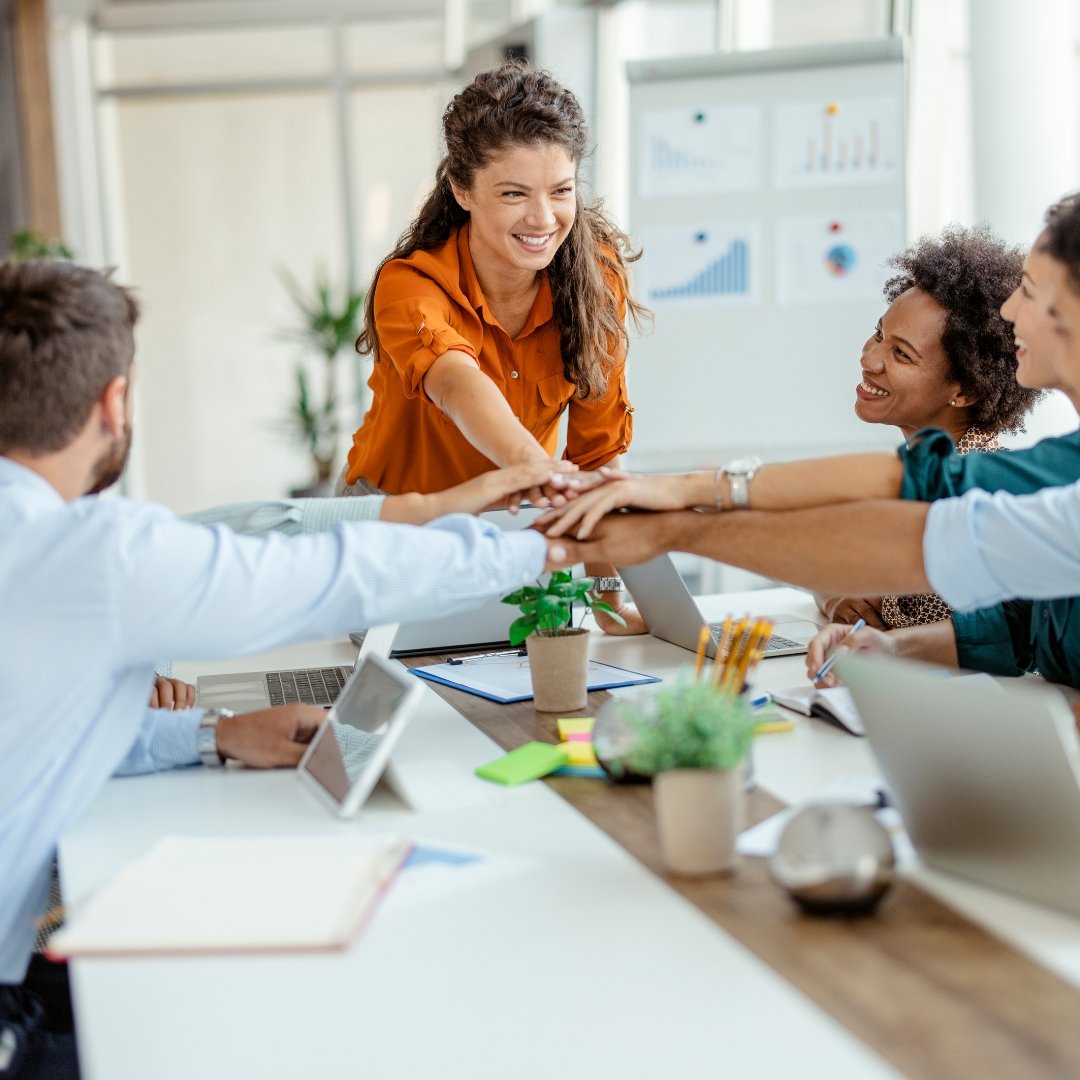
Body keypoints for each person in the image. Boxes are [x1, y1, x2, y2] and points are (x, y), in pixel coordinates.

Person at [0, 259, 566, 1077]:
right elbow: (334, 577)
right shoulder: (85, 557)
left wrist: (213, 735)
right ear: (112, 406)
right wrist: (546, 540)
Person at [542, 193, 1080, 689]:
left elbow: (900, 523)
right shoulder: (1049, 477)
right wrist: (883, 642)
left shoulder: (1013, 483)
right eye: (879, 337)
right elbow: (1013, 628)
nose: (1011, 313)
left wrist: (680, 515)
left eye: (1031, 294)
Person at [340, 60, 649, 632]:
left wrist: (606, 597)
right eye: (513, 193)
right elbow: (458, 384)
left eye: (560, 191)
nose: (542, 218)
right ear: (462, 189)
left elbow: (598, 455)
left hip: (515, 516)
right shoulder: (410, 284)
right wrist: (537, 470)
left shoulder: (595, 281)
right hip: (397, 522)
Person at [813, 225, 1038, 631]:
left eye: (901, 353)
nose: (870, 359)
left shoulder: (980, 491)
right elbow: (828, 560)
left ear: (965, 389)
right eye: (879, 334)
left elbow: (988, 642)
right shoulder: (921, 469)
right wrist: (836, 597)